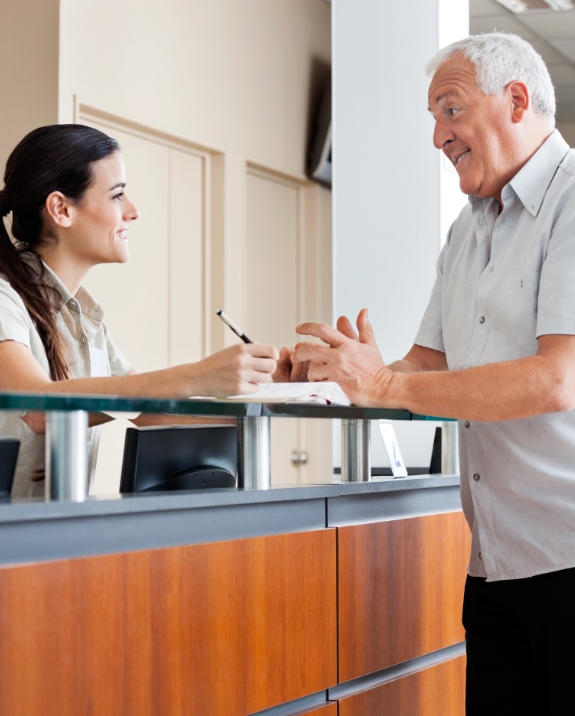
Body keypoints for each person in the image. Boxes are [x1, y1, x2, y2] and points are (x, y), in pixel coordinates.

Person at [292, 33, 575, 714]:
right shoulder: (468, 228)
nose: (435, 136)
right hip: (495, 562)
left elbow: (555, 379)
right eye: (432, 117)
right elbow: (425, 367)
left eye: (448, 110)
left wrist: (384, 385)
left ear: (515, 100)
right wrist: (339, 372)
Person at [0, 124, 278, 498]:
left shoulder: (86, 318)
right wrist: (195, 376)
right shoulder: (5, 299)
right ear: (62, 209)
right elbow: (39, 409)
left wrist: (275, 391)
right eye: (117, 195)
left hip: (51, 538)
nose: (133, 211)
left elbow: (150, 412)